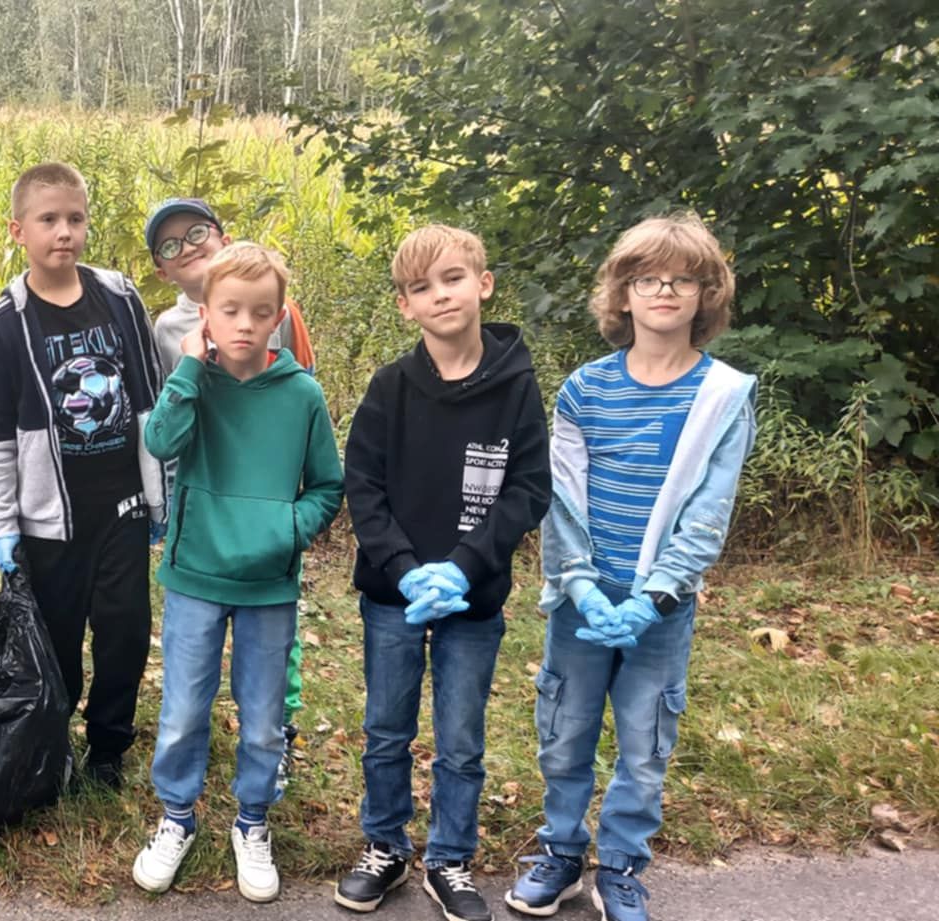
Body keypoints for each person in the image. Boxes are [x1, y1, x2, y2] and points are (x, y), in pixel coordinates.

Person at [506, 214, 757, 921]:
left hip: (661, 610)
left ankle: (619, 867)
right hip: (581, 603)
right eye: (647, 279)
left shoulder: (722, 396)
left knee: (645, 744)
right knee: (564, 732)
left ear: (706, 294)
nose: (665, 291)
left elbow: (709, 511)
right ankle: (560, 852)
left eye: (682, 279)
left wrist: (655, 597)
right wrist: (581, 584)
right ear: (622, 293)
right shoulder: (585, 389)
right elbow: (561, 497)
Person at [334, 224, 550, 920]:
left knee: (460, 739)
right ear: (406, 306)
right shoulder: (390, 388)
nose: (441, 295)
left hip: (472, 598)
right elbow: (363, 484)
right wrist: (402, 569)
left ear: (483, 284)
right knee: (386, 728)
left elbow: (528, 489)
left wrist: (462, 568)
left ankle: (450, 857)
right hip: (392, 598)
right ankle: (385, 846)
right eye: (422, 287)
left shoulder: (516, 388)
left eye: (453, 278)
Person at [129, 242, 343, 903]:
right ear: (206, 316)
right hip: (195, 573)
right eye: (229, 311)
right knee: (183, 710)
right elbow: (160, 441)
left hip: (268, 584)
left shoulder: (302, 394)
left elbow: (327, 486)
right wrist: (190, 367)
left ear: (279, 316)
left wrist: (287, 529)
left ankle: (252, 821)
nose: (245, 324)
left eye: (260, 311)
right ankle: (177, 816)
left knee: (263, 716)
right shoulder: (194, 381)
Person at [0, 161, 167, 787]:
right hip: (50, 517)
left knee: (125, 631)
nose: (64, 232)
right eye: (49, 219)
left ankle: (108, 746)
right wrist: (5, 523)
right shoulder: (5, 322)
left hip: (122, 504)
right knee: (56, 637)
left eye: (75, 219)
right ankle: (52, 742)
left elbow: (150, 396)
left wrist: (159, 491)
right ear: (18, 230)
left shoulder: (120, 298)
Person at [144, 197, 316, 375]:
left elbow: (304, 376)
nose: (188, 249)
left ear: (225, 242)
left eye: (197, 233)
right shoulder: (166, 328)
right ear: (162, 273)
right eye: (170, 247)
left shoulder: (280, 309)